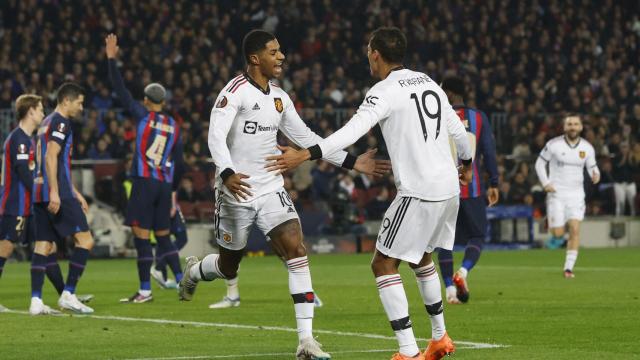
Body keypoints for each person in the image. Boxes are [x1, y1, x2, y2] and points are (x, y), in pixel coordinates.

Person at [177, 29, 390, 360]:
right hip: (236, 189)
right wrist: (228, 172)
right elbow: (215, 137)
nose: (281, 56)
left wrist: (351, 163)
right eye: (274, 52)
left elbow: (305, 137)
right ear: (255, 58)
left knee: (296, 250)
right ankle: (193, 272)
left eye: (280, 51)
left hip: (271, 188)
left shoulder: (279, 97)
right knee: (229, 266)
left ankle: (306, 341)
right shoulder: (233, 93)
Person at [267, 27, 473, 360]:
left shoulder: (383, 92)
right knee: (422, 257)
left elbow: (350, 131)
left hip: (419, 191)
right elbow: (458, 132)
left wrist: (305, 154)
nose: (367, 57)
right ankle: (439, 337)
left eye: (367, 51)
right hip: (449, 187)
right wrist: (467, 163)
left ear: (375, 53)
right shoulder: (428, 82)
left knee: (383, 265)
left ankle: (408, 351)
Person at [105, 34, 185, 303]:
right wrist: (172, 192)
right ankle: (184, 281)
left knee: (141, 236)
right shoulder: (174, 126)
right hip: (163, 185)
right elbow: (181, 164)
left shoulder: (142, 115)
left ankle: (144, 290)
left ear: (147, 100)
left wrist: (111, 59)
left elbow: (119, 89)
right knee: (163, 235)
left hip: (143, 182)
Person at [31, 83, 95, 314]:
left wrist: (76, 192)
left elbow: (58, 163)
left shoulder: (45, 122)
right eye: (79, 102)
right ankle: (68, 293)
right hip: (56, 192)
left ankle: (36, 300)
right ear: (66, 100)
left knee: (44, 245)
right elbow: (51, 157)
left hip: (42, 190)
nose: (81, 106)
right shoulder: (60, 122)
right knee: (86, 241)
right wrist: (56, 191)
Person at [437, 76, 499, 304]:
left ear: (450, 93)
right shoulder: (479, 118)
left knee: (444, 241)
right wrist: (494, 183)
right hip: (472, 190)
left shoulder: (438, 117)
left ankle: (450, 291)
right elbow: (489, 153)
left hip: (444, 190)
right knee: (478, 235)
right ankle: (462, 272)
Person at [535, 115, 600, 278]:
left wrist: (596, 174)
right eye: (569, 124)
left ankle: (568, 269)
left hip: (577, 195)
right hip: (556, 193)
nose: (572, 127)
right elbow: (539, 163)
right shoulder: (554, 145)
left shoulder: (587, 148)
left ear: (581, 127)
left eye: (576, 124)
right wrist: (545, 183)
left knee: (575, 229)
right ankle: (550, 219)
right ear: (564, 127)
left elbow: (593, 166)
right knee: (557, 234)